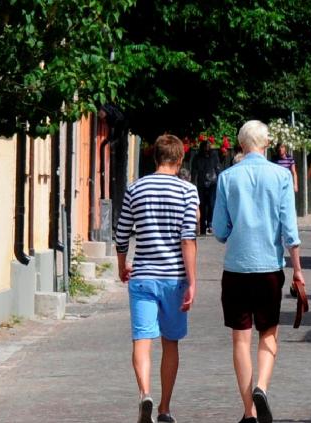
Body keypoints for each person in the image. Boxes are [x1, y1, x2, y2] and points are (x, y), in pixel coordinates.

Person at [213, 120, 304, 423]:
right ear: (266, 144)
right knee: (268, 331)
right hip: (269, 269)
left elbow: (220, 230)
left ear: (241, 145)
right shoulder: (281, 176)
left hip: (236, 268)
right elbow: (290, 231)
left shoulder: (227, 178)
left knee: (240, 339)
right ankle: (261, 387)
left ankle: (248, 412)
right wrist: (298, 271)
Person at [115, 134, 199, 423]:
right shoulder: (188, 191)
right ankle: (164, 407)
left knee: (142, 338)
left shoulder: (135, 188)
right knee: (170, 342)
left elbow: (122, 233)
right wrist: (192, 281)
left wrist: (122, 265)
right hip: (173, 278)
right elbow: (188, 239)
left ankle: (144, 394)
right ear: (179, 159)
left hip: (143, 276)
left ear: (155, 157)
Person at [191, 141, 222, 235]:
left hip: (213, 183)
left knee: (212, 204)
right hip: (201, 184)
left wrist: (220, 181)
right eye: (205, 147)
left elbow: (217, 168)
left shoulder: (214, 156)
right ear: (202, 148)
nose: (207, 148)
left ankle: (210, 224)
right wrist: (193, 182)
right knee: (202, 205)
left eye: (208, 146)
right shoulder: (197, 157)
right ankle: (202, 227)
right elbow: (194, 170)